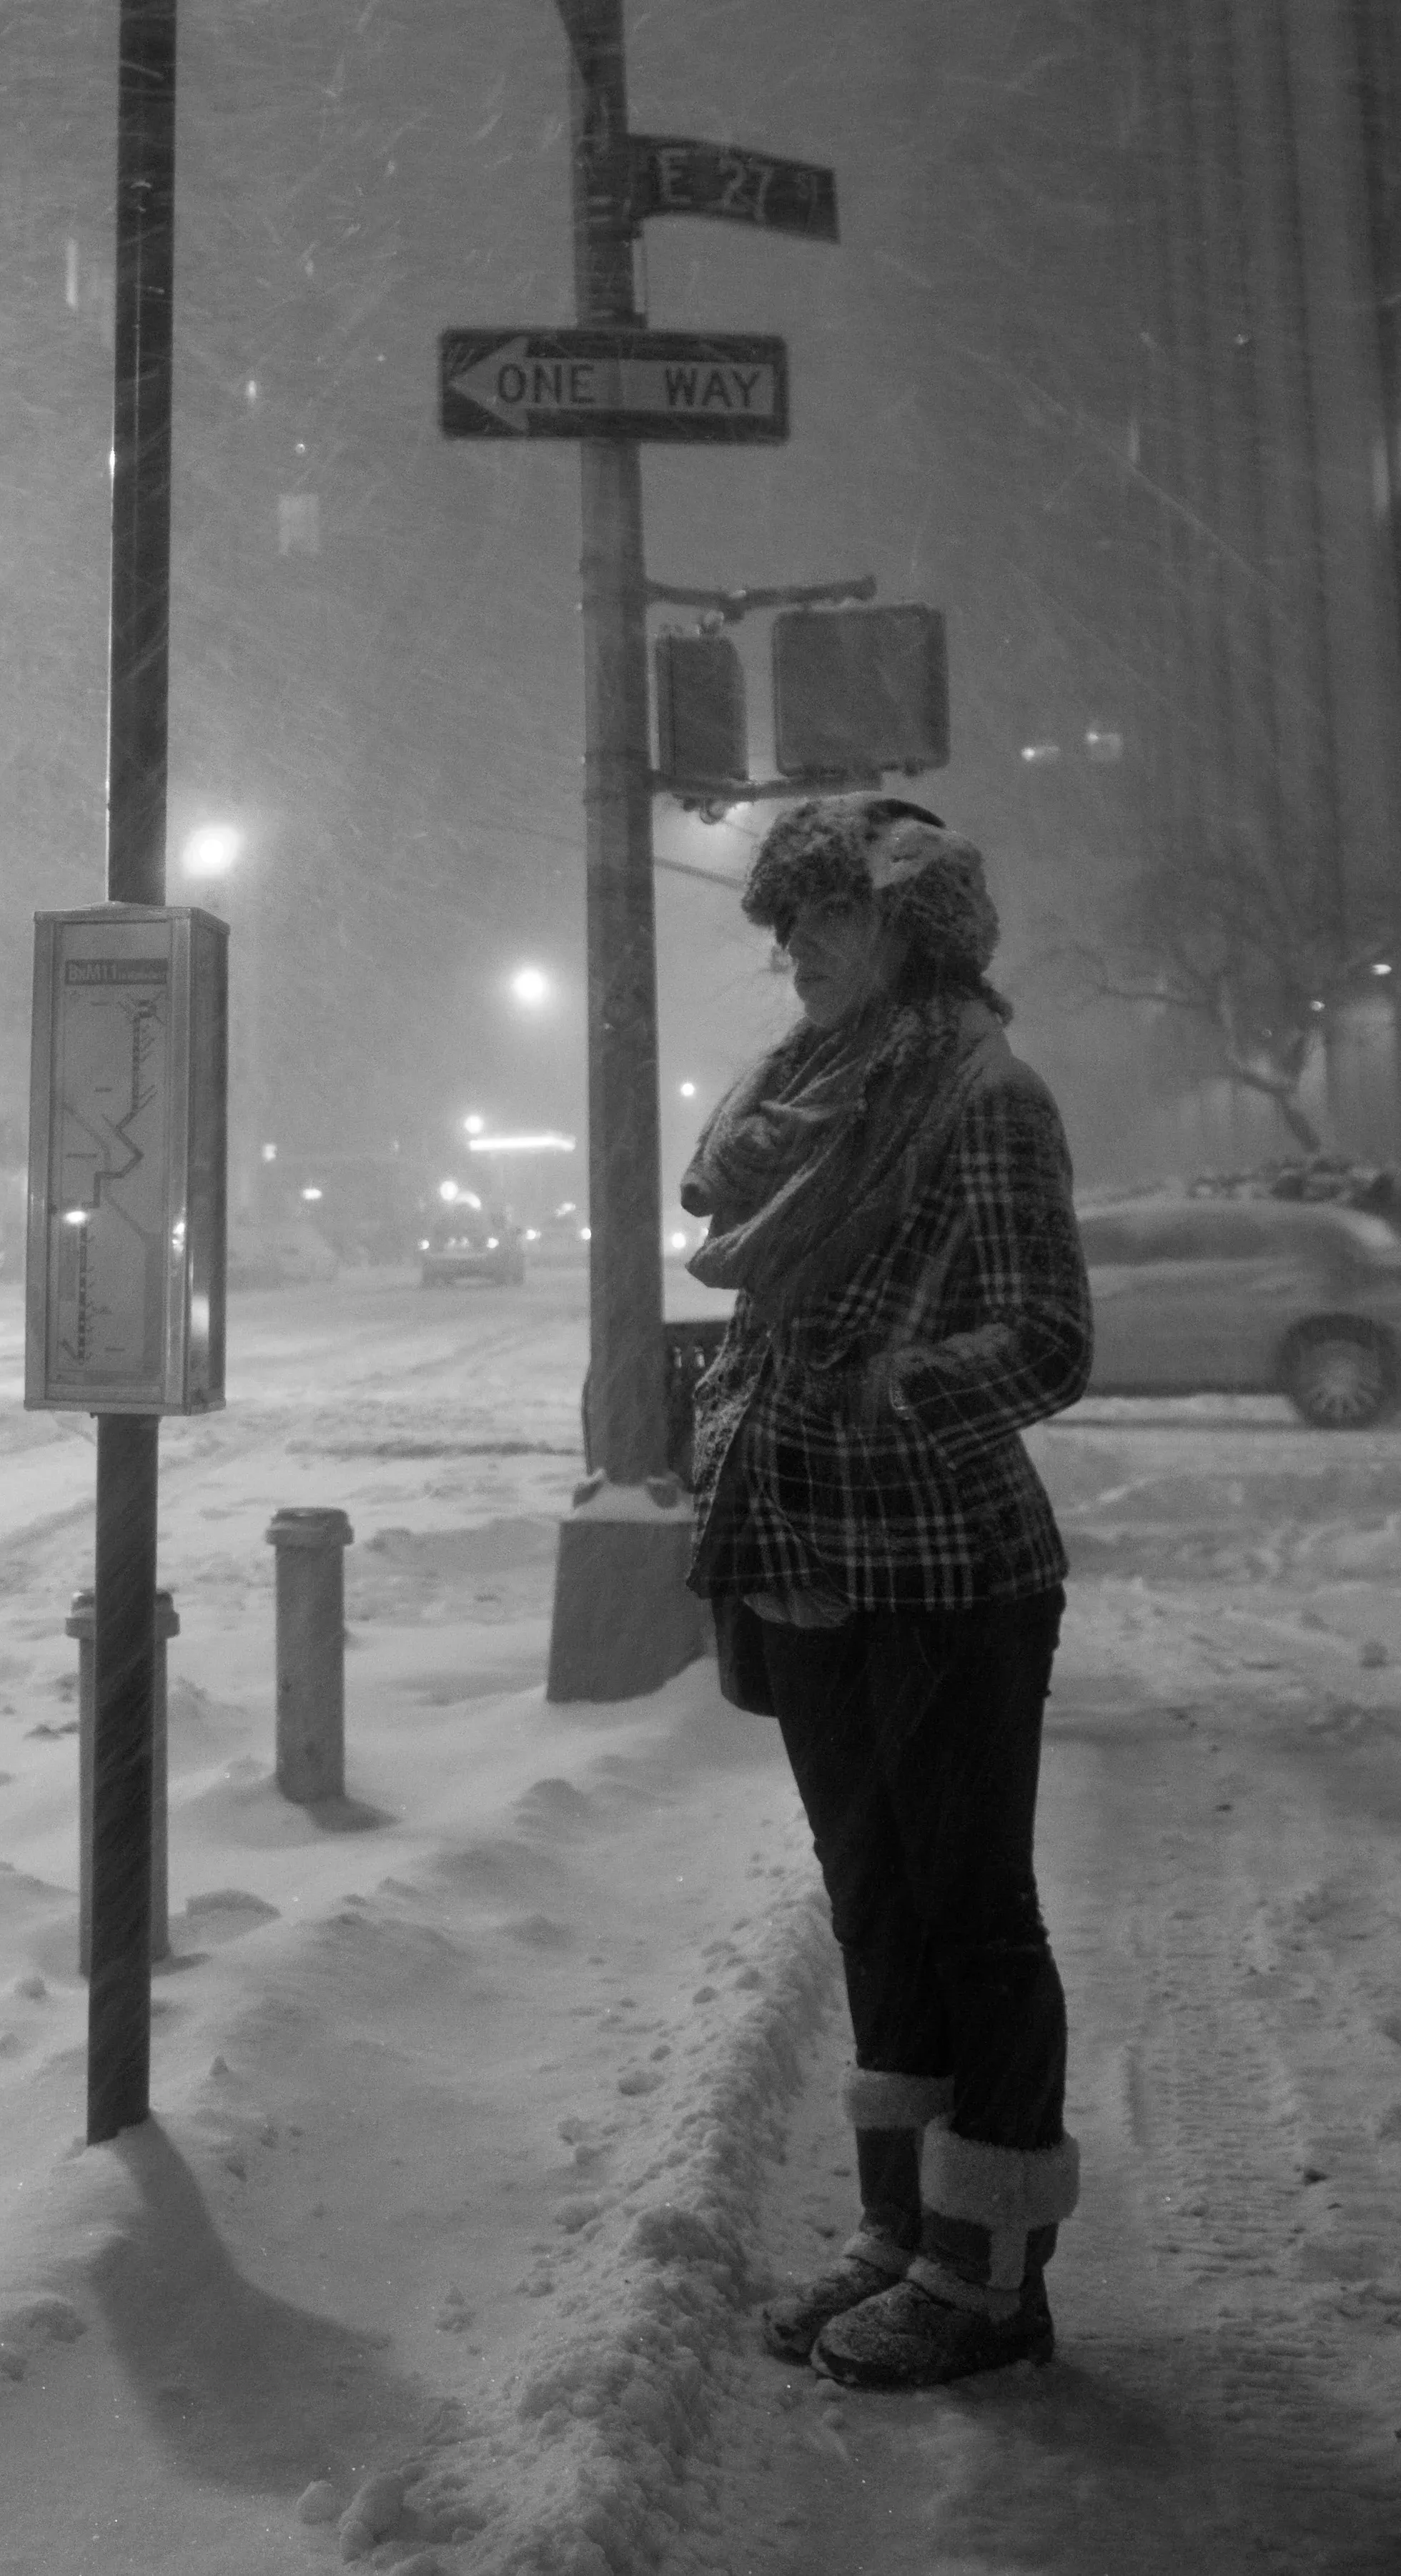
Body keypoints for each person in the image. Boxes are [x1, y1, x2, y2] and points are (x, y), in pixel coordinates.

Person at [680, 792, 1093, 2392]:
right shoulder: (796, 1107)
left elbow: (1046, 1339)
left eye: (818, 914)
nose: (789, 946)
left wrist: (879, 1392)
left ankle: (990, 2277)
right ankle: (904, 2227)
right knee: (872, 1906)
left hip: (944, 1572)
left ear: (905, 926)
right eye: (778, 920)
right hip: (800, 1559)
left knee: (971, 1916)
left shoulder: (983, 1095)